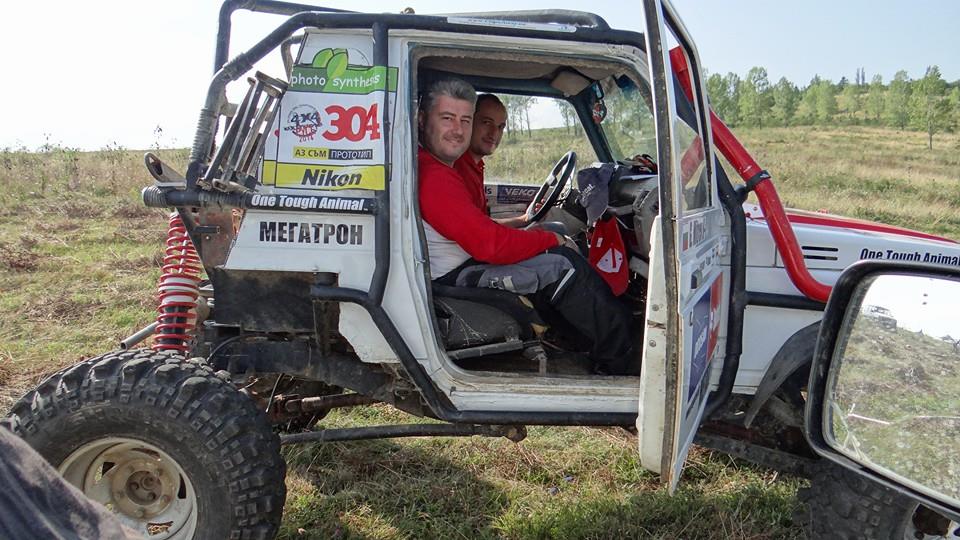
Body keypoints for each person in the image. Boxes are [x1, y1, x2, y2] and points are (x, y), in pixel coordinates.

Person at [417, 77, 636, 375]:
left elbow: (478, 230)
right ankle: (621, 360)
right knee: (563, 265)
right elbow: (491, 245)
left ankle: (579, 338)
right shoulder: (436, 177)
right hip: (456, 276)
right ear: (422, 119)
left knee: (557, 254)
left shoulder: (440, 167)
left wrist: (534, 232)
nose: (458, 130)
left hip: (462, 263)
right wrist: (549, 239)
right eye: (447, 118)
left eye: (464, 120)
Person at [452, 93, 527, 228]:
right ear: (468, 122)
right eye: (486, 122)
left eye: (500, 127)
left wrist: (524, 220)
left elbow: (481, 224)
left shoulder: (475, 166)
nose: (494, 133)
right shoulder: (458, 169)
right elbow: (476, 231)